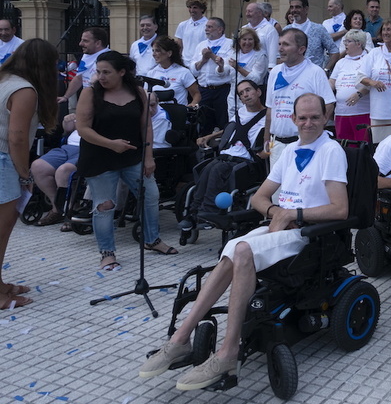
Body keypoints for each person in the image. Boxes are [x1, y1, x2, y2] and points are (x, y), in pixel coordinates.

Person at [138, 93, 348, 390]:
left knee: (243, 249)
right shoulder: (288, 151)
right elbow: (259, 197)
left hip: (310, 234)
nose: (309, 123)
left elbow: (341, 209)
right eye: (302, 117)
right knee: (230, 250)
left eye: (315, 117)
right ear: (293, 119)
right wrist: (276, 212)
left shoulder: (331, 151)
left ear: (325, 118)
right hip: (282, 225)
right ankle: (180, 339)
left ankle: (229, 351)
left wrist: (292, 214)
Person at [76, 51, 177, 271]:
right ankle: (107, 252)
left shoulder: (138, 92)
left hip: (133, 156)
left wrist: (149, 156)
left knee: (150, 195)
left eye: (106, 72)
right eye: (98, 72)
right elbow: (82, 128)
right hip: (99, 158)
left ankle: (152, 239)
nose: (101, 77)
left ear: (122, 72)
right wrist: (111, 144)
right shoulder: (90, 93)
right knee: (105, 205)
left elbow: (146, 126)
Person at [0, 39, 58, 309]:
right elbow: (17, 139)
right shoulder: (24, 90)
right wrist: (25, 175)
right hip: (3, 161)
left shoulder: (4, 79)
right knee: (1, 230)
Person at [180, 79, 266, 227]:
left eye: (248, 90)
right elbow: (229, 129)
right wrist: (209, 136)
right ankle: (193, 212)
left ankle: (208, 212)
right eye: (241, 93)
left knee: (217, 170)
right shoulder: (240, 113)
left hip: (246, 160)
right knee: (204, 168)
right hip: (226, 156)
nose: (245, 95)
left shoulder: (267, 117)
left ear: (258, 92)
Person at [265, 29, 336, 168]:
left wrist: (314, 135)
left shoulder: (315, 72)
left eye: (286, 44)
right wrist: (266, 138)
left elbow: (328, 105)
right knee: (277, 189)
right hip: (277, 144)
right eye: (279, 44)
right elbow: (270, 108)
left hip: (305, 144)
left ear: (301, 49)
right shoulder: (275, 72)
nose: (280, 49)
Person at [31, 113, 82, 227]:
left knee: (63, 171)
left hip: (87, 149)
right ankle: (57, 208)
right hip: (67, 147)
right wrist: (67, 121)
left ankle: (71, 209)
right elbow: (68, 129)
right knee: (38, 166)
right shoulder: (87, 105)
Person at [190, 17, 234, 135]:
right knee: (204, 124)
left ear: (220, 29)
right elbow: (193, 70)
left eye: (210, 27)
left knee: (223, 122)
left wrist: (212, 56)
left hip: (222, 90)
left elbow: (228, 67)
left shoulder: (230, 44)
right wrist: (204, 60)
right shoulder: (201, 45)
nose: (206, 30)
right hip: (204, 90)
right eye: (206, 27)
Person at [329, 29, 372, 141]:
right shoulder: (341, 62)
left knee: (361, 147)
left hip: (361, 112)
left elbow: (372, 82)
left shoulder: (368, 60)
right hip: (341, 113)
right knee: (344, 146)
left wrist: (359, 94)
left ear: (359, 44)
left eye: (348, 41)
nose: (345, 44)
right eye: (345, 41)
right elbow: (332, 81)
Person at [285, 0, 340, 71]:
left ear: (306, 9)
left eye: (297, 7)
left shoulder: (318, 29)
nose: (294, 10)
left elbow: (334, 52)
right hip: (291, 76)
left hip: (313, 77)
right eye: (292, 7)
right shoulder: (286, 31)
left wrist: (325, 70)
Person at [58, 27, 109, 104]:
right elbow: (79, 78)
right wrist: (65, 97)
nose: (80, 44)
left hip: (101, 102)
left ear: (98, 43)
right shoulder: (86, 55)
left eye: (85, 41)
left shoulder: (109, 58)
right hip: (88, 100)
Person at [225, 27, 267, 120]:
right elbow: (223, 71)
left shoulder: (260, 55)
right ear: (239, 41)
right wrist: (220, 66)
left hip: (250, 97)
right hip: (233, 96)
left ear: (255, 41)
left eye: (250, 39)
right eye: (244, 39)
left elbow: (256, 79)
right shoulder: (234, 53)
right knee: (233, 123)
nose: (247, 42)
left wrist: (238, 68)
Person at [150, 36, 201, 107]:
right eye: (153, 51)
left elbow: (196, 94)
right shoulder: (151, 73)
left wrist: (192, 104)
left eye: (158, 51)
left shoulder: (183, 72)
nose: (153, 54)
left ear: (169, 53)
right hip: (156, 115)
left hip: (177, 115)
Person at [244, 2, 280, 71]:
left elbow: (273, 52)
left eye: (250, 11)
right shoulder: (244, 28)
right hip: (244, 69)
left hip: (262, 71)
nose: (247, 14)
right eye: (246, 11)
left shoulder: (270, 29)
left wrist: (271, 69)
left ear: (260, 13)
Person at [174, 0, 208, 67]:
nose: (192, 10)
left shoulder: (208, 25)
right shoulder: (182, 25)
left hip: (201, 64)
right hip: (185, 63)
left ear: (202, 9)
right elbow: (180, 46)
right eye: (190, 7)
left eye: (195, 8)